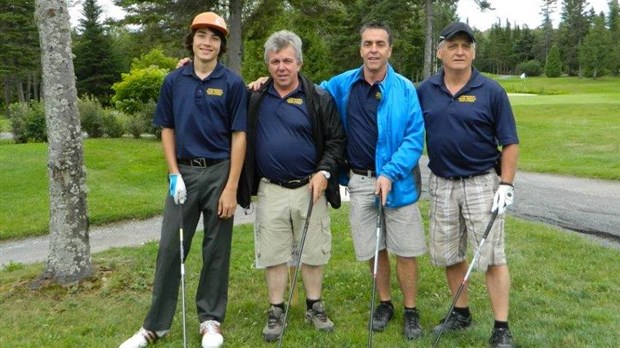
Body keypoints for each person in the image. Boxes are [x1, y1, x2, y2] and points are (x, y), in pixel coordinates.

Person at [120, 12, 247, 348]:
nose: (208, 42)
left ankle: (210, 321)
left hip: (220, 171)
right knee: (169, 249)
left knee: (216, 249)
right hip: (184, 173)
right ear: (191, 40)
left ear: (221, 45)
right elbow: (167, 129)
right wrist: (173, 173)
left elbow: (239, 136)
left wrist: (232, 186)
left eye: (215, 38)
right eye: (202, 36)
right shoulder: (174, 81)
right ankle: (155, 326)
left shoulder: (232, 83)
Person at [319, 21, 427, 340]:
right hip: (360, 180)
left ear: (389, 50)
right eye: (368, 44)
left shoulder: (405, 89)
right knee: (373, 247)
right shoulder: (344, 84)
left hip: (398, 182)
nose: (374, 50)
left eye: (380, 44)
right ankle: (385, 303)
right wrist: (263, 83)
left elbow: (414, 138)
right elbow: (310, 92)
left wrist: (390, 172)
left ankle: (410, 310)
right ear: (361, 49)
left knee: (405, 250)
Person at [416, 22, 519, 348]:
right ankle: (461, 313)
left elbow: (510, 143)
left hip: (481, 184)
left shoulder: (491, 91)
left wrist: (506, 184)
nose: (459, 52)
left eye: (465, 46)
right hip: (442, 183)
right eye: (453, 45)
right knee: (449, 254)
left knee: (492, 256)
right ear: (440, 51)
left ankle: (501, 327)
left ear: (473, 52)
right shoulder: (425, 90)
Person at [241, 30, 346, 342]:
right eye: (275, 61)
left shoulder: (319, 98)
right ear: (268, 65)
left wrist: (324, 172)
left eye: (287, 60)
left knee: (313, 251)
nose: (281, 67)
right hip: (271, 188)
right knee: (273, 253)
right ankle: (276, 309)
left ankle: (314, 304)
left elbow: (336, 141)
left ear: (299, 62)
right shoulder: (256, 97)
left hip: (309, 188)